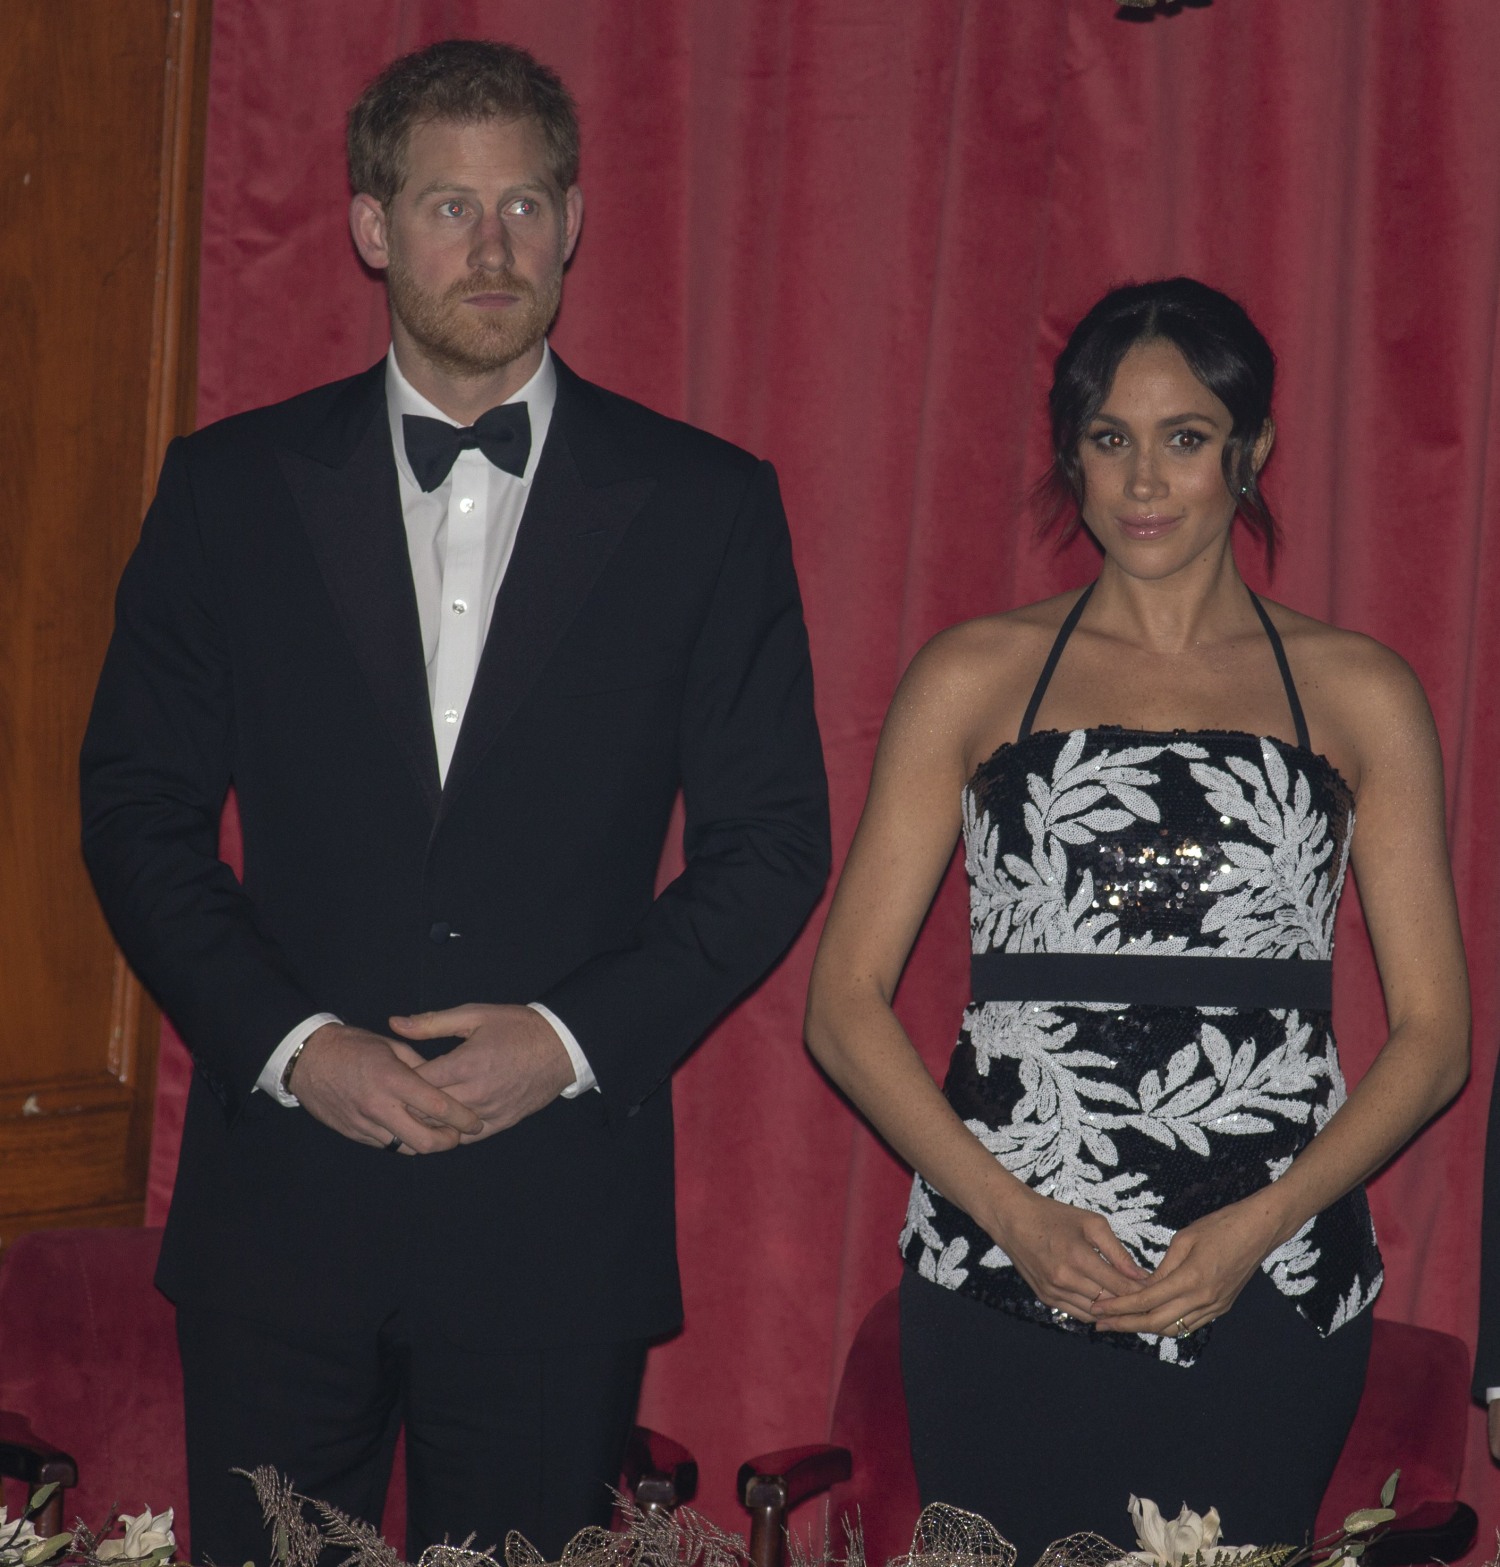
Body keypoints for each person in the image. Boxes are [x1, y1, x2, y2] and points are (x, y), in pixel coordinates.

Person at [80, 38, 828, 1564]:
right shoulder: (227, 488)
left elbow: (773, 844)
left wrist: (564, 1044)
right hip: (282, 1211)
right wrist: (298, 1048)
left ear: (572, 224)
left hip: (555, 1220)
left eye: (525, 207)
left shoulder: (708, 503)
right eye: (446, 207)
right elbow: (137, 808)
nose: (491, 250)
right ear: (369, 226)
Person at [805, 278, 1468, 1555]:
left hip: (1267, 1284)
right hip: (1003, 1281)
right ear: (1073, 455)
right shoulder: (973, 673)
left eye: (1185, 437)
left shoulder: (1359, 691)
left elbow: (1436, 1035)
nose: (1146, 480)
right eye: (1111, 439)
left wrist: (1260, 1227)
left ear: (1251, 449)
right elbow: (841, 1006)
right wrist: (1013, 1214)